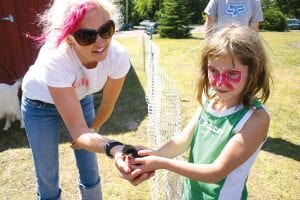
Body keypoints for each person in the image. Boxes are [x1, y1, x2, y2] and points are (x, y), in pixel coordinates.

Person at [122, 25, 272, 200]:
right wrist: (152, 154)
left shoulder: (255, 118)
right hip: (190, 195)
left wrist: (160, 163)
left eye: (232, 73)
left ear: (253, 72)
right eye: (213, 70)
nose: (219, 82)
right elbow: (183, 140)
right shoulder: (211, 100)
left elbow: (216, 172)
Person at [21, 0, 145, 199]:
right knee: (47, 171)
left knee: (89, 162)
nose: (100, 42)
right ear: (70, 39)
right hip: (39, 105)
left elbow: (107, 105)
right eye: (87, 36)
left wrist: (95, 132)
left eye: (106, 29)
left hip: (80, 97)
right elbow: (78, 130)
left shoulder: (118, 56)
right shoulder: (55, 59)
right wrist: (111, 146)